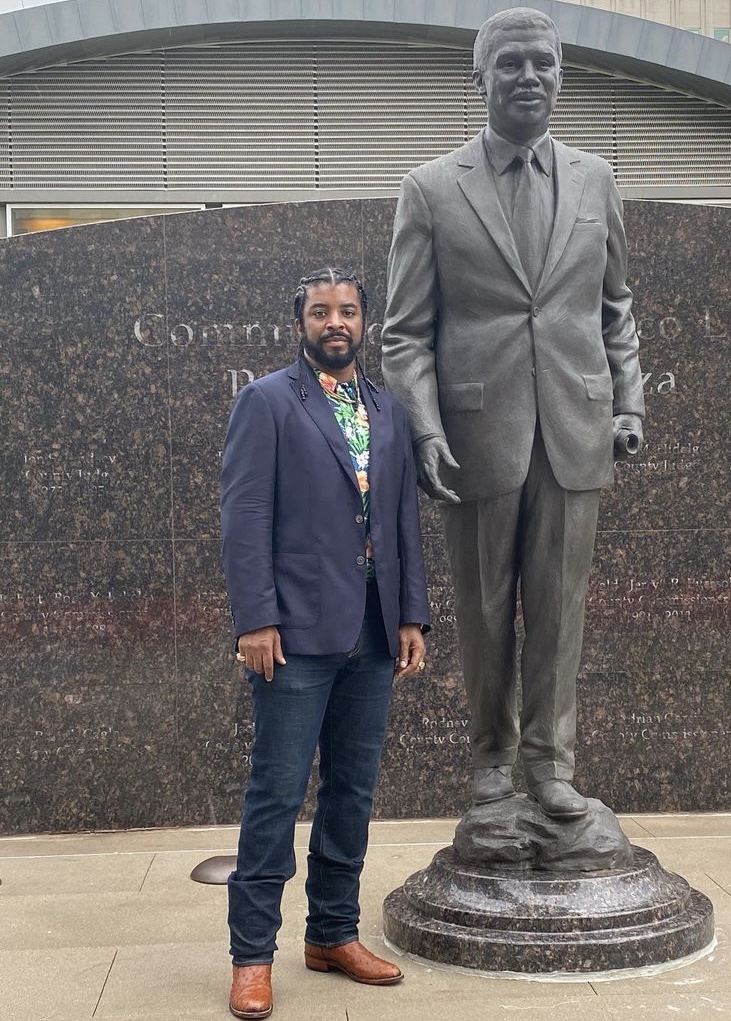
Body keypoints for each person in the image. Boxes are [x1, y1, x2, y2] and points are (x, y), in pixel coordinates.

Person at [381, 9, 645, 822]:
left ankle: (551, 767)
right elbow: (404, 333)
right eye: (509, 63)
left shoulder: (596, 180)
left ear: (560, 75)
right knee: (486, 611)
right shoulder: (430, 188)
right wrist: (424, 427)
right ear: (479, 79)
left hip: (575, 430)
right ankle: (491, 763)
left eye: (541, 62)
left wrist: (627, 402)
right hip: (474, 438)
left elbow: (614, 309)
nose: (527, 76)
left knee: (559, 611)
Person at [220, 267, 429, 1019]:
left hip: (372, 631)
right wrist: (255, 618)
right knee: (276, 794)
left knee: (352, 791)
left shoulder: (387, 410)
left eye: (346, 311)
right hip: (294, 633)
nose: (334, 322)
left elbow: (401, 520)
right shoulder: (268, 401)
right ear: (300, 322)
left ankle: (332, 933)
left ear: (364, 322)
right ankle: (252, 955)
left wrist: (410, 616)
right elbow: (245, 515)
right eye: (319, 311)